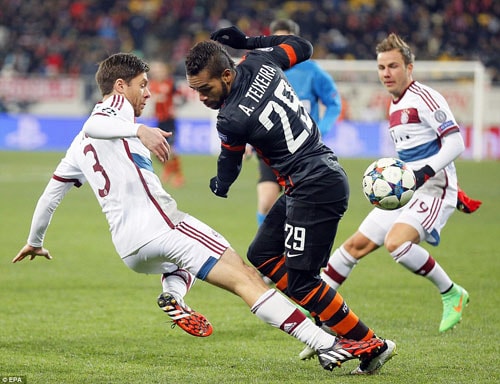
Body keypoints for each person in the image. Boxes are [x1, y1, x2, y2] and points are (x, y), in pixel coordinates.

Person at [12, 52, 386, 373]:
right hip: (163, 227)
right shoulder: (109, 121)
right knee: (246, 278)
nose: (149, 91)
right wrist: (139, 130)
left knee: (189, 265)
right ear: (120, 86)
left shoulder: (79, 146)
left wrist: (34, 240)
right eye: (143, 84)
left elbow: (51, 193)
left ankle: (174, 295)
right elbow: (95, 122)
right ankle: (325, 342)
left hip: (129, 248)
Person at [186, 26, 396, 374]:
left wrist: (220, 185)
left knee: (302, 281)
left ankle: (369, 343)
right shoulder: (261, 61)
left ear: (226, 75)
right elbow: (303, 45)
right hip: (314, 179)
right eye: (196, 91)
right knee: (262, 254)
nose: (202, 98)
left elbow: (230, 162)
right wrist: (248, 43)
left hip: (313, 185)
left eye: (206, 89)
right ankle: (335, 323)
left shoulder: (231, 117)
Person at [318, 33, 470, 338]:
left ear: (409, 68)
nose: (386, 73)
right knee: (353, 246)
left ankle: (452, 292)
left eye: (393, 66)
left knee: (397, 243)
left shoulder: (425, 98)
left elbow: (456, 142)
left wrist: (428, 172)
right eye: (382, 67)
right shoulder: (394, 104)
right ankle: (319, 310)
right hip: (408, 190)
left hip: (433, 188)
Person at [255, 19, 342, 227]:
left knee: (301, 206)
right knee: (266, 202)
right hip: (271, 146)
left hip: (304, 149)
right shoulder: (262, 69)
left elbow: (333, 103)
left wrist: (320, 130)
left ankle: (296, 249)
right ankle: (266, 255)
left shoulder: (313, 72)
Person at [148, 61, 185, 187]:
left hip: (170, 121)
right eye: (155, 71)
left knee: (172, 150)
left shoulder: (170, 83)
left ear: (165, 71)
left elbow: (181, 96)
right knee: (156, 152)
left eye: (159, 70)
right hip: (159, 121)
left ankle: (179, 176)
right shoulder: (152, 85)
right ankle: (168, 168)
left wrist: (175, 107)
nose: (157, 73)